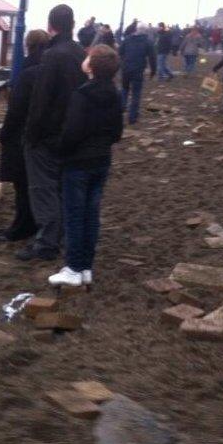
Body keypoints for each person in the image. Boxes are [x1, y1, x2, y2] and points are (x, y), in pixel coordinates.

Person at [49, 44, 123, 287]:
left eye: (88, 56)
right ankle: (85, 267)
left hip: (78, 163)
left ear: (90, 66)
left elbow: (72, 132)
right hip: (101, 160)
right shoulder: (115, 93)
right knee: (91, 215)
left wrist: (60, 149)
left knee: (74, 216)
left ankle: (72, 268)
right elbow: (116, 132)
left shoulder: (82, 94)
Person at [19, 4, 88, 261]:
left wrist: (31, 134)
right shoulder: (79, 52)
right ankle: (59, 237)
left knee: (42, 188)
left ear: (51, 25)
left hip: (48, 133)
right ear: (73, 24)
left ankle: (46, 243)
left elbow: (41, 99)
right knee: (60, 187)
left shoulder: (52, 55)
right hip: (72, 132)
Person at [0, 29, 50, 243]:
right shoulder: (50, 68)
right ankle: (35, 223)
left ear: (29, 45)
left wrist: (3, 134)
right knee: (37, 185)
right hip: (44, 135)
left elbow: (16, 111)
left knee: (22, 185)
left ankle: (22, 226)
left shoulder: (27, 73)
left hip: (22, 136)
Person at [118, 22, 156, 124]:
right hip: (138, 70)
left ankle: (120, 110)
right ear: (145, 31)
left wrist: (123, 62)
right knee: (136, 93)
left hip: (126, 69)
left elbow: (120, 52)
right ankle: (132, 118)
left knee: (124, 90)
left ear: (136, 29)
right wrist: (153, 71)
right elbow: (152, 57)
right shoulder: (148, 42)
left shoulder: (127, 39)